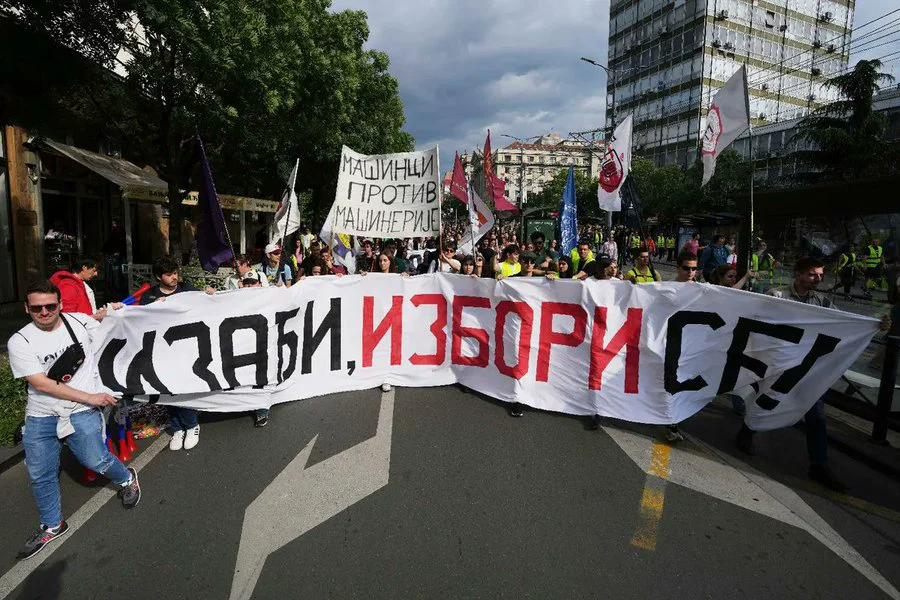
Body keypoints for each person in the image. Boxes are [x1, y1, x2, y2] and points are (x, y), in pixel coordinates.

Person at [8, 281, 141, 559]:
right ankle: (53, 524)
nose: (44, 312)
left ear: (60, 305)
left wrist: (117, 312)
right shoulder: (20, 341)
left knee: (96, 460)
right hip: (41, 415)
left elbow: (121, 327)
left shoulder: (79, 323)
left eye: (50, 306)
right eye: (37, 307)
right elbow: (41, 384)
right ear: (26, 308)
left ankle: (127, 479)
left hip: (79, 410)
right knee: (41, 473)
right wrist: (92, 397)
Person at [736, 257, 892, 492]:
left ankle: (819, 465)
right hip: (778, 365)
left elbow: (845, 322)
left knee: (816, 415)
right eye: (812, 274)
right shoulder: (777, 296)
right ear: (797, 274)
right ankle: (747, 430)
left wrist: (874, 324)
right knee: (767, 401)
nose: (818, 279)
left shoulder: (822, 301)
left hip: (806, 369)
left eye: (820, 274)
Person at [140, 256, 214, 450]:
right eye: (169, 274)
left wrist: (209, 295)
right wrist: (154, 307)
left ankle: (191, 425)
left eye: (175, 273)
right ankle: (177, 427)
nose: (174, 277)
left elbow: (205, 305)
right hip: (161, 352)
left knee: (182, 388)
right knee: (167, 390)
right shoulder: (148, 296)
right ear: (158, 276)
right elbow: (139, 321)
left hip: (186, 349)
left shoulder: (187, 289)